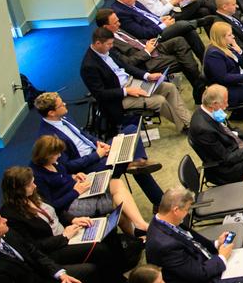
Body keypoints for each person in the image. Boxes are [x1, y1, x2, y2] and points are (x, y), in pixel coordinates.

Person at [0, 166, 141, 283]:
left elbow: (56, 211)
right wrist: (63, 237)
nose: (35, 186)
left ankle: (119, 278)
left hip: (67, 232)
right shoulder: (10, 215)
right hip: (54, 248)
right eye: (30, 184)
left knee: (107, 231)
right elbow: (33, 246)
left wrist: (73, 219)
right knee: (99, 249)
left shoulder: (33, 195)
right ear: (18, 190)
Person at [33, 89, 164, 208]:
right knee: (130, 162)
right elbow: (68, 166)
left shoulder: (63, 117)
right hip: (89, 166)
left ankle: (137, 162)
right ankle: (159, 201)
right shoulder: (49, 139)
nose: (65, 105)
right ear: (51, 113)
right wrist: (97, 155)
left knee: (131, 130)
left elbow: (82, 133)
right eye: (61, 105)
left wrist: (99, 143)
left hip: (98, 151)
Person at [28, 135, 148, 234]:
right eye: (56, 154)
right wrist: (75, 192)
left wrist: (73, 177)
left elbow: (63, 175)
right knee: (117, 204)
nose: (59, 156)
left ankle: (139, 226)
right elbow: (52, 206)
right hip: (69, 206)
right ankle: (138, 232)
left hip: (76, 191)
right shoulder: (37, 176)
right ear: (46, 156)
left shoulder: (54, 162)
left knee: (116, 183)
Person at [81, 27, 190, 132]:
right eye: (109, 44)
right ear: (98, 43)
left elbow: (127, 67)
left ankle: (189, 122)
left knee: (169, 87)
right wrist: (126, 91)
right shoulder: (89, 66)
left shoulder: (108, 51)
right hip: (119, 99)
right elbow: (100, 94)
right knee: (159, 101)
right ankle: (185, 127)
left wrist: (147, 76)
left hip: (132, 82)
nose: (111, 46)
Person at [96, 8, 202, 96]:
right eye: (115, 23)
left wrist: (147, 43)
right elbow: (127, 63)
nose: (119, 24)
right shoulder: (108, 45)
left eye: (118, 21)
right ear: (106, 27)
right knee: (182, 60)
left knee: (179, 40)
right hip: (146, 62)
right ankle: (200, 85)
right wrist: (146, 51)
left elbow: (135, 41)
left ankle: (199, 84)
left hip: (151, 48)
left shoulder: (117, 30)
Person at [111, 0, 207, 62]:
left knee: (189, 30)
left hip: (158, 24)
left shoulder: (131, 1)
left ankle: (205, 60)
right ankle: (202, 22)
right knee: (182, 25)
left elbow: (148, 16)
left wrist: (160, 19)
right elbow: (142, 33)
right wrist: (163, 25)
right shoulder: (120, 13)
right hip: (154, 36)